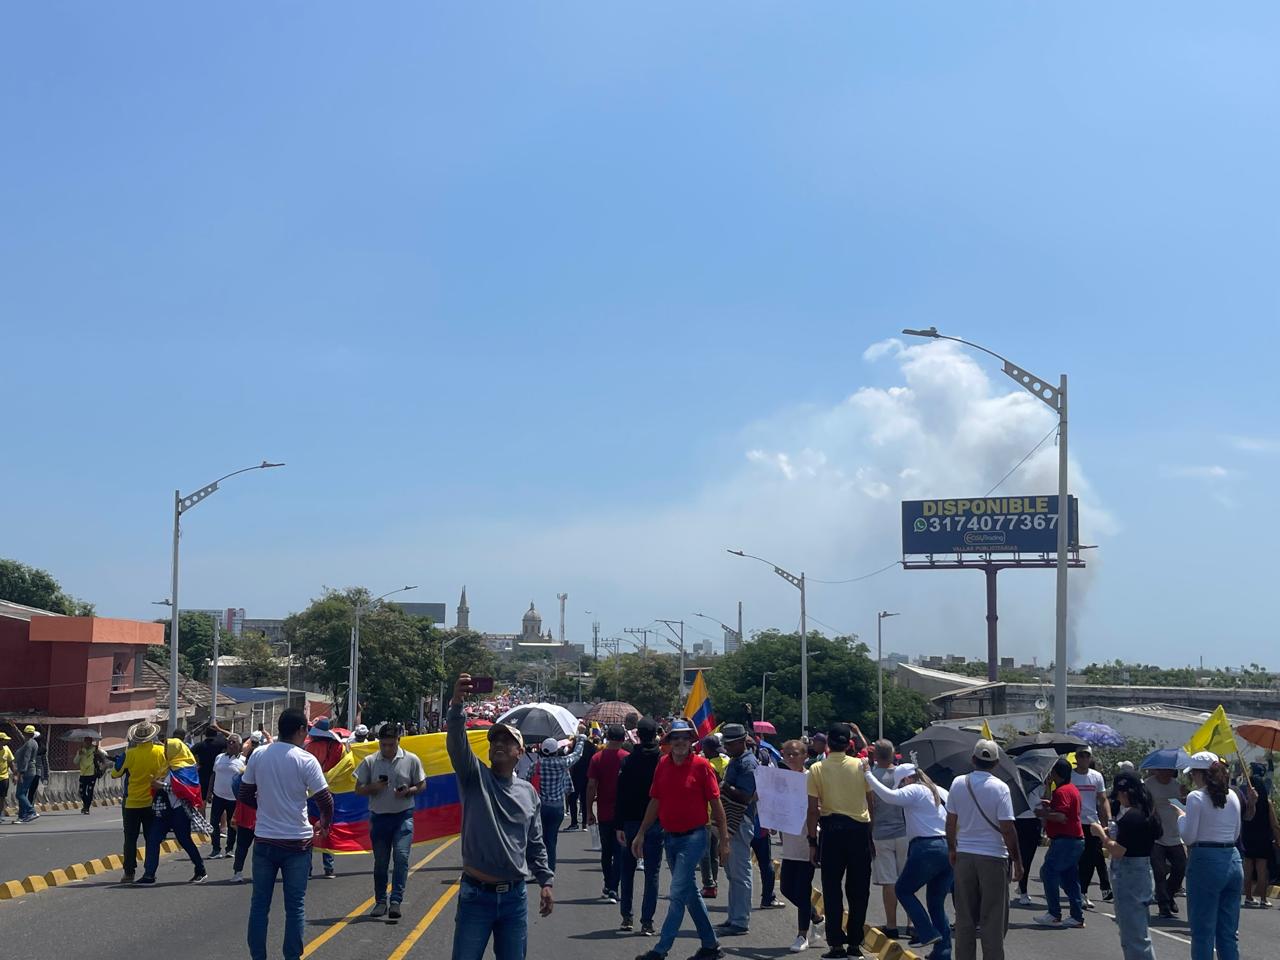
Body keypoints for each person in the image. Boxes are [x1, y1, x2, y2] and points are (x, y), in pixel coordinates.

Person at [447, 675, 553, 960]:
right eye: (496, 740)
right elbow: (457, 744)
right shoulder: (474, 777)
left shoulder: (529, 794)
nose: (500, 745)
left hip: (514, 900)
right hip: (475, 897)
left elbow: (535, 843)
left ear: (521, 752)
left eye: (508, 741)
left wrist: (545, 881)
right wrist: (457, 703)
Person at [239, 707, 334, 960]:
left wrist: (266, 807)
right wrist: (325, 824)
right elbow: (325, 800)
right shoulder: (305, 760)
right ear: (302, 730)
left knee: (260, 906)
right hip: (297, 843)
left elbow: (245, 794)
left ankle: (258, 956)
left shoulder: (259, 755)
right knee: (295, 908)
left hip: (265, 840)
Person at [634, 717, 729, 960]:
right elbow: (655, 800)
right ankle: (711, 945)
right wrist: (642, 832)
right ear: (668, 741)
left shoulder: (702, 766)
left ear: (691, 741)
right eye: (675, 738)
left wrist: (725, 840)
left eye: (684, 737)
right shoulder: (663, 765)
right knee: (689, 893)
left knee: (676, 893)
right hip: (671, 837)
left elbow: (716, 804)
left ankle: (661, 949)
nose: (680, 742)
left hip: (696, 835)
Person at [862, 761, 952, 959]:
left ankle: (926, 932)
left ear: (906, 779)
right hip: (948, 847)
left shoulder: (915, 789)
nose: (901, 788)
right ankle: (943, 953)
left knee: (903, 889)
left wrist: (868, 774)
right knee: (936, 902)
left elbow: (888, 796)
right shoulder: (940, 790)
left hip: (926, 847)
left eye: (901, 784)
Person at [945, 738, 1022, 960]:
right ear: (996, 763)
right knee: (993, 919)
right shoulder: (1001, 788)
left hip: (965, 855)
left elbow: (950, 822)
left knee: (965, 918)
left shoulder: (958, 783)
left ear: (973, 760)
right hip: (994, 857)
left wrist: (952, 849)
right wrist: (1017, 861)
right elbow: (1007, 829)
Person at [806, 721, 874, 960]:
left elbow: (813, 810)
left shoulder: (817, 769)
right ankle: (855, 943)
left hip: (831, 831)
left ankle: (836, 945)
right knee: (859, 890)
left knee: (832, 889)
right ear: (849, 744)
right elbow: (870, 801)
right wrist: (870, 833)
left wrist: (812, 842)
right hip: (859, 831)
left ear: (828, 744)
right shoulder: (861, 766)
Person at [354, 721, 426, 919]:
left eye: (390, 744)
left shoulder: (411, 760)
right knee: (381, 862)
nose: (386, 748)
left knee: (401, 858)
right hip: (379, 819)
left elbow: (421, 785)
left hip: (403, 816)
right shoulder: (370, 761)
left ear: (398, 741)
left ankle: (396, 900)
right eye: (383, 744)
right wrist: (373, 787)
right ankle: (380, 901)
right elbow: (358, 789)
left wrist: (409, 791)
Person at [1178, 751, 1243, 960]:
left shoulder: (1195, 797)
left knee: (1202, 932)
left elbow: (1188, 837)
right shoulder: (1233, 795)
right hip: (1232, 858)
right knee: (1227, 933)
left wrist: (1181, 818)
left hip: (1205, 860)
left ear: (1199, 774)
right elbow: (1236, 833)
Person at [1091, 771, 1160, 959]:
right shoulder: (1148, 812)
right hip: (1143, 869)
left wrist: (1101, 834)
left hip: (1129, 872)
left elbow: (1118, 851)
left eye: (1120, 794)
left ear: (1126, 792)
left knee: (1134, 936)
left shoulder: (1132, 817)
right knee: (1137, 932)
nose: (1118, 798)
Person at [137, 728, 209, 884]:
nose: (165, 751)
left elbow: (186, 790)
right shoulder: (167, 766)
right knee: (153, 839)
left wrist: (161, 785)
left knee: (184, 840)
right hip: (163, 811)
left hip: (179, 811)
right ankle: (149, 874)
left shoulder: (186, 768)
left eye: (167, 748)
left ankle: (200, 868)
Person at [614, 718, 664, 935]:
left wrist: (619, 825)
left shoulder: (629, 761)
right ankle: (647, 921)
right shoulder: (662, 761)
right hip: (655, 822)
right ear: (655, 735)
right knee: (652, 873)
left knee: (628, 871)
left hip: (631, 822)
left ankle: (627, 917)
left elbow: (621, 796)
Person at [778, 740, 826, 953]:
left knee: (802, 887)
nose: (790, 758)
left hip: (807, 839)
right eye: (787, 754)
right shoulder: (782, 780)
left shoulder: (811, 778)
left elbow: (821, 806)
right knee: (786, 888)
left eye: (795, 754)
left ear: (805, 755)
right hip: (789, 840)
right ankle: (816, 917)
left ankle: (802, 935)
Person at [111, 720, 168, 882]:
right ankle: (150, 871)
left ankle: (129, 872)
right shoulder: (160, 752)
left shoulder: (130, 754)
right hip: (152, 802)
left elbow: (115, 774)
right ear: (153, 736)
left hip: (132, 802)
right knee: (152, 838)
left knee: (130, 839)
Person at [1033, 758, 1086, 929]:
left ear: (1056, 773)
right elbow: (1065, 811)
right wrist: (1050, 805)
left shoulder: (1062, 791)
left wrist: (1043, 813)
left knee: (1048, 872)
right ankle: (1077, 916)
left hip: (1065, 839)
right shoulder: (1072, 789)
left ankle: (1054, 914)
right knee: (1070, 877)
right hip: (1074, 839)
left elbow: (1062, 816)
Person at [718, 723, 759, 936]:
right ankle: (734, 916)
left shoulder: (748, 763)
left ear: (742, 742)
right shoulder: (737, 760)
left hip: (740, 820)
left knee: (740, 872)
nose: (728, 748)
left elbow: (745, 795)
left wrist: (723, 785)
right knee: (733, 873)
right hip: (732, 820)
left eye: (731, 744)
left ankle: (740, 920)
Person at [869, 739, 909, 938]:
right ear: (893, 754)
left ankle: (891, 925)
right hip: (904, 832)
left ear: (875, 755)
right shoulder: (904, 776)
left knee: (889, 882)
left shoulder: (871, 777)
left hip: (880, 834)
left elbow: (869, 807)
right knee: (909, 879)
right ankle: (913, 924)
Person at [586, 723, 628, 902]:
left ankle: (607, 883)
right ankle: (614, 886)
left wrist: (588, 810)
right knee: (619, 851)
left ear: (607, 737)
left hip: (603, 810)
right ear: (623, 739)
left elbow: (591, 786)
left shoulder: (597, 758)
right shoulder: (627, 757)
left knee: (606, 851)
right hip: (624, 812)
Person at [532, 731, 585, 871]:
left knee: (539, 839)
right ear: (556, 750)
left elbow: (526, 780)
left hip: (540, 806)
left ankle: (539, 868)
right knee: (551, 839)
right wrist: (581, 740)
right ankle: (550, 870)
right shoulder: (561, 763)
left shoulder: (536, 765)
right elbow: (577, 755)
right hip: (557, 807)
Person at [304, 717, 347, 880]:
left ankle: (307, 868)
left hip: (311, 792)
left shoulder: (308, 747)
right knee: (327, 826)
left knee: (308, 828)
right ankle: (329, 867)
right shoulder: (338, 747)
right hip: (330, 791)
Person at [1071, 746, 1113, 908]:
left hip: (1091, 822)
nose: (1083, 758)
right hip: (1074, 822)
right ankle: (1074, 889)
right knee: (1075, 859)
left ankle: (1083, 892)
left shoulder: (1096, 776)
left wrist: (1107, 819)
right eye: (1080, 755)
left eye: (1086, 755)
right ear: (1076, 757)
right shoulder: (1070, 775)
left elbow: (1102, 799)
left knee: (1090, 860)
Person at [1145, 766, 1188, 919]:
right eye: (1162, 770)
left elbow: (1186, 806)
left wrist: (1184, 796)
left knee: (1181, 867)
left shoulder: (1177, 786)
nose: (1166, 773)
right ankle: (1163, 905)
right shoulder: (1148, 784)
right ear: (1156, 770)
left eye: (1169, 770)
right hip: (1156, 835)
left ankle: (1168, 894)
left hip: (1175, 835)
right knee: (1159, 870)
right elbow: (1143, 805)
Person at [1240, 765, 1279, 908]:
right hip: (1263, 839)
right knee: (1262, 870)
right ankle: (1263, 899)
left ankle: (1248, 897)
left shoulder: (1246, 802)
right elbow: (1274, 824)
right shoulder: (1266, 803)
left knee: (1248, 869)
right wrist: (1278, 839)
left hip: (1249, 838)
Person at [700, 733, 728, 898]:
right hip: (722, 811)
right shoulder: (726, 762)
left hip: (708, 812)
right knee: (714, 852)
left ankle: (709, 884)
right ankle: (713, 882)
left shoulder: (707, 766)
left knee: (706, 853)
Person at [231, 735, 262, 883]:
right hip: (261, 815)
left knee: (242, 846)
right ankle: (258, 873)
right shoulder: (264, 776)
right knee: (259, 848)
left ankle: (238, 872)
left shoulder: (240, 777)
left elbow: (236, 792)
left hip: (244, 814)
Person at [210, 734, 244, 859]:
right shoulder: (219, 757)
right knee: (213, 823)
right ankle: (215, 849)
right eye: (229, 742)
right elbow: (213, 775)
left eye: (233, 742)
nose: (230, 744)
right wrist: (209, 792)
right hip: (218, 796)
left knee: (232, 825)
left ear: (239, 745)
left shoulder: (243, 761)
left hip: (234, 798)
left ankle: (229, 849)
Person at [1013, 776, 1044, 906]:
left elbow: (1043, 798)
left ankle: (1023, 889)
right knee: (1013, 855)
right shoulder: (1013, 780)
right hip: (1017, 819)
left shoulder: (1039, 781)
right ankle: (1022, 888)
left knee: (1028, 858)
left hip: (1033, 820)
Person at [193, 725, 228, 811]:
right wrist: (220, 729)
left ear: (205, 734)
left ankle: (202, 822)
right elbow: (234, 737)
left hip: (203, 774)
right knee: (219, 800)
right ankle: (223, 824)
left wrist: (197, 763)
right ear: (216, 734)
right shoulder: (221, 743)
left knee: (202, 801)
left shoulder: (199, 745)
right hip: (218, 774)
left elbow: (189, 753)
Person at [568, 729, 596, 831]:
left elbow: (571, 760)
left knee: (572, 800)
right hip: (588, 776)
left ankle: (574, 822)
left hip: (576, 776)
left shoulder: (576, 746)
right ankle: (584, 823)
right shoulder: (591, 746)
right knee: (585, 800)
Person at [12, 725, 40, 822]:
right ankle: (22, 815)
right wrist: (15, 727)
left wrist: (20, 773)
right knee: (23, 793)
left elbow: (26, 759)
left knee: (19, 794)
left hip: (26, 771)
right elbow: (20, 736)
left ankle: (31, 811)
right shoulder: (32, 742)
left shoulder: (29, 744)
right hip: (30, 771)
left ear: (27, 734)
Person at [74, 734, 106, 814]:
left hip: (92, 774)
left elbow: (105, 756)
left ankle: (87, 808)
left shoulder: (95, 749)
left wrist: (101, 765)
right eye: (86, 742)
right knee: (82, 792)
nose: (87, 743)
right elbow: (75, 762)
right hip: (83, 774)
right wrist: (79, 754)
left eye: (89, 741)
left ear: (91, 742)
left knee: (90, 791)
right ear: (84, 742)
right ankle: (85, 805)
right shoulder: (81, 750)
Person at [0, 732, 13, 822]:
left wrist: (15, 775)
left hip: (4, 778)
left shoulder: (6, 749)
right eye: (4, 741)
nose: (5, 743)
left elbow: (11, 762)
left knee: (2, 797)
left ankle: (0, 814)